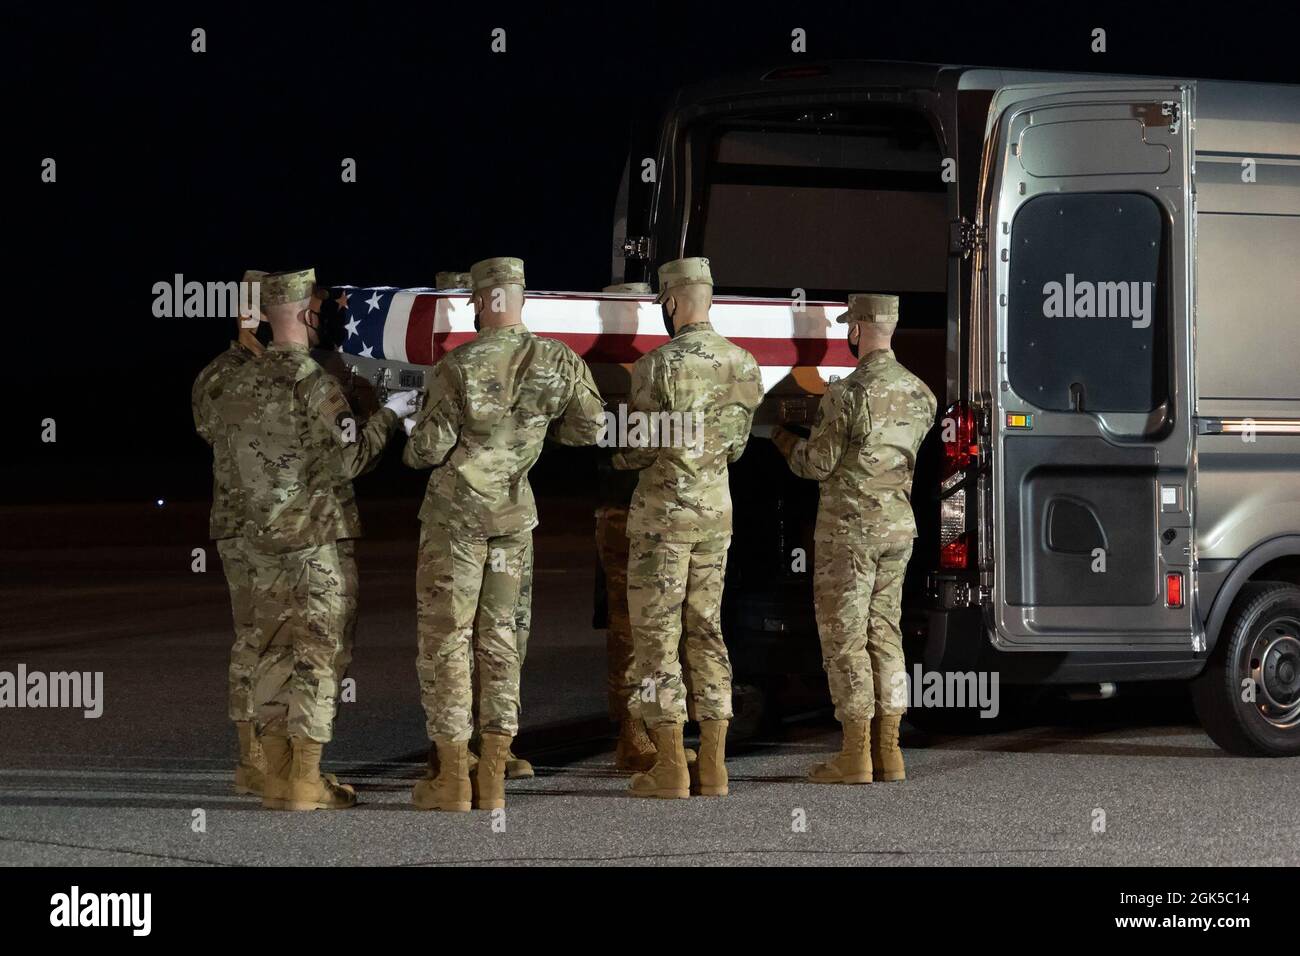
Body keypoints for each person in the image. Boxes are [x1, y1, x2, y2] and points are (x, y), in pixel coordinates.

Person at [405, 256, 605, 812]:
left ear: (479, 302)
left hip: (455, 520)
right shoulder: (559, 361)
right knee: (502, 639)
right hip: (514, 519)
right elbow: (590, 429)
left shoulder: (459, 365)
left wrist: (406, 426)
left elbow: (425, 451)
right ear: (520, 298)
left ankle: (451, 776)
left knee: (447, 641)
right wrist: (533, 436)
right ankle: (493, 771)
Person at [217, 267, 419, 810]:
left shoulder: (233, 383)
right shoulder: (313, 382)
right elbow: (349, 458)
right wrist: (392, 417)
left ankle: (278, 776)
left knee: (271, 654)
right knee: (318, 656)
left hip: (259, 544)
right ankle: (305, 778)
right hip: (314, 542)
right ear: (307, 314)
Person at [614, 257, 764, 799]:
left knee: (658, 638)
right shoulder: (745, 364)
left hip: (663, 521)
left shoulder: (657, 366)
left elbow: (641, 447)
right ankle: (716, 766)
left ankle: (672, 765)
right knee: (707, 630)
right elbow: (739, 446)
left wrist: (612, 450)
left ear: (672, 302)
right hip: (715, 517)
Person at [771, 293, 936, 783]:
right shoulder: (920, 393)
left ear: (857, 330)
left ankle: (855, 753)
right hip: (897, 529)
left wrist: (781, 438)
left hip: (850, 534)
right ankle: (891, 751)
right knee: (885, 634)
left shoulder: (848, 394)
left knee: (845, 638)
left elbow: (816, 464)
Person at [191, 268, 267, 795]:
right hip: (246, 525)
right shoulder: (223, 374)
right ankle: (253, 754)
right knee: (257, 637)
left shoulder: (287, 370)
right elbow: (227, 431)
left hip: (285, 524)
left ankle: (282, 752)